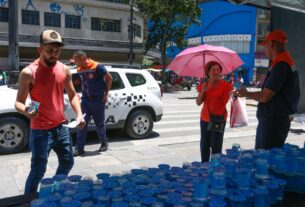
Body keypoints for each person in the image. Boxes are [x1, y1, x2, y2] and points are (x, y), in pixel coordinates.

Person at [14, 30, 85, 194]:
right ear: (40, 49)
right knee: (38, 170)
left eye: (57, 51)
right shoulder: (28, 73)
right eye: (49, 51)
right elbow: (18, 102)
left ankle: (54, 189)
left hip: (61, 127)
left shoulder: (64, 70)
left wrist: (79, 114)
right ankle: (29, 200)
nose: (54, 55)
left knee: (68, 162)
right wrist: (26, 110)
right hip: (40, 130)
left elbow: (73, 95)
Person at [236, 29, 300, 150]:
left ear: (272, 44)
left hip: (273, 122)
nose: (264, 49)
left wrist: (246, 93)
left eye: (265, 45)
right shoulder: (282, 63)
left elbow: (265, 96)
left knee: (266, 158)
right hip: (273, 120)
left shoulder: (281, 65)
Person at [72, 50, 113, 156]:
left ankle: (104, 142)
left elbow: (109, 78)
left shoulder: (97, 66)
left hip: (97, 100)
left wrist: (106, 94)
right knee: (81, 123)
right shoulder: (79, 68)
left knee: (99, 124)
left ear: (82, 58)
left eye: (75, 59)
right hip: (85, 100)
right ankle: (79, 148)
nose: (74, 62)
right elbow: (81, 81)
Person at [196, 61, 233, 162]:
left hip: (219, 120)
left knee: (216, 147)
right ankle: (204, 166)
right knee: (204, 146)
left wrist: (235, 94)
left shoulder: (226, 86)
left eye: (218, 70)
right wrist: (202, 91)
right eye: (213, 69)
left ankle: (215, 169)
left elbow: (231, 97)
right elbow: (198, 102)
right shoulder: (204, 85)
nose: (216, 72)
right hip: (205, 119)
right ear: (208, 72)